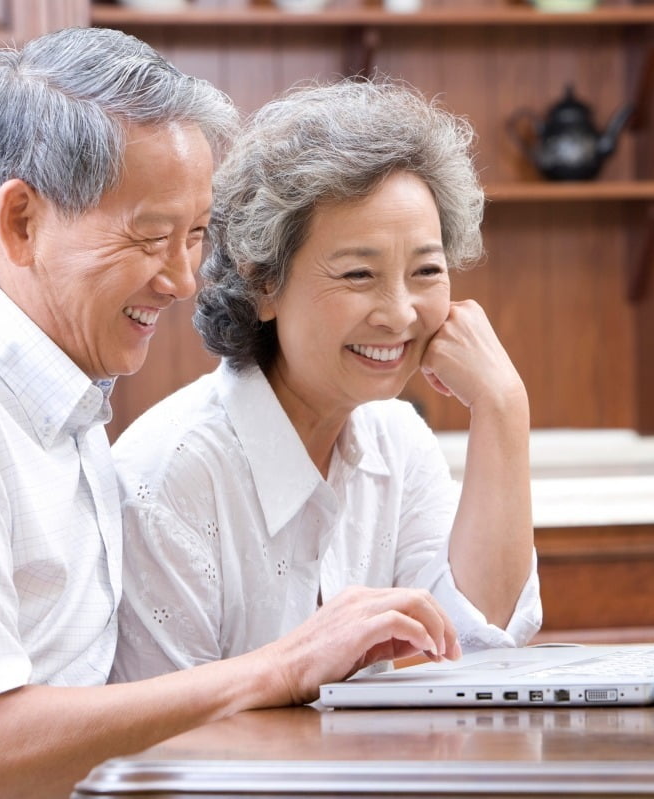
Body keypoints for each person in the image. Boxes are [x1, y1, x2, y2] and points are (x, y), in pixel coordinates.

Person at [0, 30, 460, 799]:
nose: (185, 279)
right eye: (153, 237)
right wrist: (279, 665)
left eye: (195, 238)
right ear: (22, 221)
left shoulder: (58, 401)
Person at [111, 79, 542, 684]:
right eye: (359, 274)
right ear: (263, 284)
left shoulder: (398, 440)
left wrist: (502, 405)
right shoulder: (170, 476)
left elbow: (483, 639)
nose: (398, 313)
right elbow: (165, 736)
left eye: (426, 270)